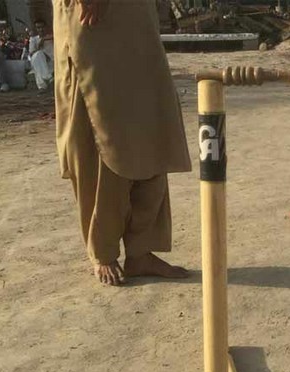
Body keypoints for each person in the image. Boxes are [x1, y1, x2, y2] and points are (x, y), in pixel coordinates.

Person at [53, 0, 192, 285]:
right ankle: (103, 250)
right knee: (104, 131)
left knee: (151, 129)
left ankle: (141, 251)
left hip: (137, 18)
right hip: (95, 22)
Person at [29, 19, 54, 92]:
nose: (41, 29)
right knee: (38, 55)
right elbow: (31, 54)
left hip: (51, 62)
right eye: (38, 28)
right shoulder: (33, 39)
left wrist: (44, 39)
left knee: (38, 67)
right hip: (40, 62)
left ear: (46, 27)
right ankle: (48, 77)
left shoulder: (52, 37)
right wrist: (39, 45)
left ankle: (42, 87)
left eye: (42, 27)